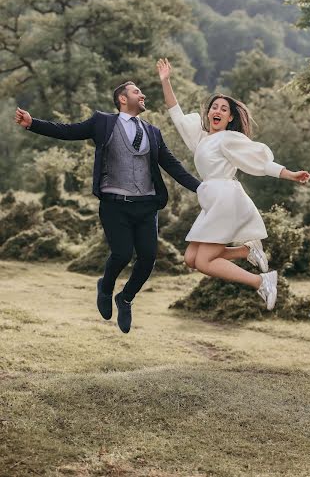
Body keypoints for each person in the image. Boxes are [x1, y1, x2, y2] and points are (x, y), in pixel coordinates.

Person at [15, 81, 201, 333]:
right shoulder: (102, 122)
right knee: (122, 253)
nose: (143, 95)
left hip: (146, 205)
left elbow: (173, 166)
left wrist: (203, 189)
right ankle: (106, 285)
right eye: (137, 92)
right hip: (115, 205)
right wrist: (33, 123)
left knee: (148, 258)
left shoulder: (153, 132)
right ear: (122, 99)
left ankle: (125, 298)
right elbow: (68, 131)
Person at [157, 58, 310, 310]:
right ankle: (245, 251)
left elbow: (259, 161)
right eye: (214, 107)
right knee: (191, 259)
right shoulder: (201, 139)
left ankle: (262, 281)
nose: (217, 111)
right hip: (211, 199)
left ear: (230, 118)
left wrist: (289, 174)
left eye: (223, 109)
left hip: (225, 197)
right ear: (209, 113)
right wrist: (166, 81)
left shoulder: (229, 139)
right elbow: (176, 113)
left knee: (205, 262)